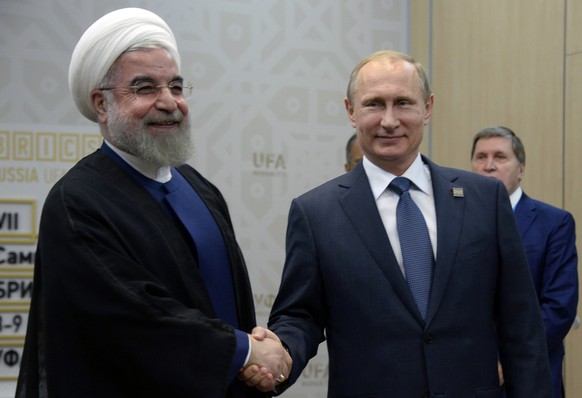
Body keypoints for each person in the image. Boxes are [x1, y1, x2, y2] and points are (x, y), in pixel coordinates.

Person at [241, 50, 552, 396]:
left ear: (428, 108)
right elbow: (301, 315)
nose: (389, 120)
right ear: (351, 111)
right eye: (374, 104)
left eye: (403, 102)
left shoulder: (485, 200)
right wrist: (280, 355)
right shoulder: (315, 213)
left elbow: (522, 326)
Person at [16, 8, 290, 398]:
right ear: (100, 104)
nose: (168, 102)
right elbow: (132, 318)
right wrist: (244, 351)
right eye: (145, 88)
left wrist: (253, 360)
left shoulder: (201, 189)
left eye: (176, 87)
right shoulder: (76, 202)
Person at [471, 126, 578, 398]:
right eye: (481, 157)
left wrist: (510, 358)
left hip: (530, 372)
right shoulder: (454, 223)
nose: (489, 166)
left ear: (521, 169)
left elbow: (559, 306)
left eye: (500, 157)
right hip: (469, 374)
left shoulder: (553, 223)